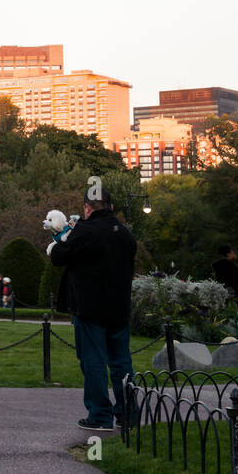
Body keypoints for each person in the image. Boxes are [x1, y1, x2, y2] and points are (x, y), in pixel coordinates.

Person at [48, 185, 137, 431]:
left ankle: (100, 415)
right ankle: (128, 413)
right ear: (111, 207)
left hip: (90, 308)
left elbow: (58, 257)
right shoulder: (125, 234)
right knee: (122, 362)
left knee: (93, 361)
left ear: (87, 207)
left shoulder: (85, 231)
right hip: (118, 307)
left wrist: (62, 238)